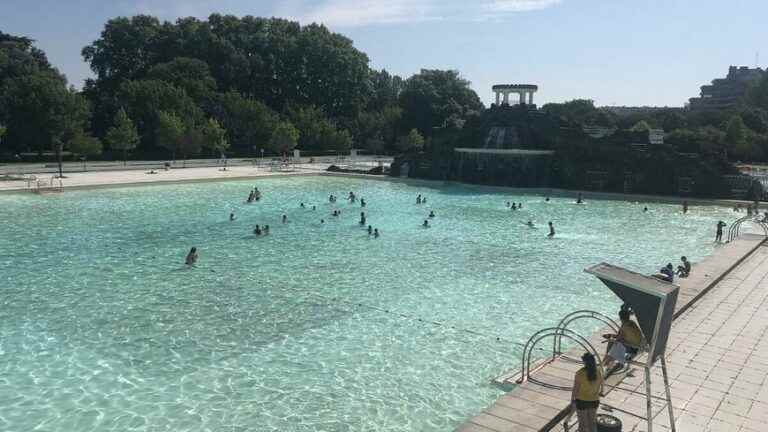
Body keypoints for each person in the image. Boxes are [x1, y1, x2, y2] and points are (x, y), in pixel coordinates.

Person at [572, 352, 603, 432]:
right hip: (594, 401)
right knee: (592, 424)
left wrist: (573, 401)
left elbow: (576, 389)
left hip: (582, 401)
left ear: (585, 362)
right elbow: (600, 386)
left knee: (583, 425)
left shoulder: (580, 373)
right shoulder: (598, 372)